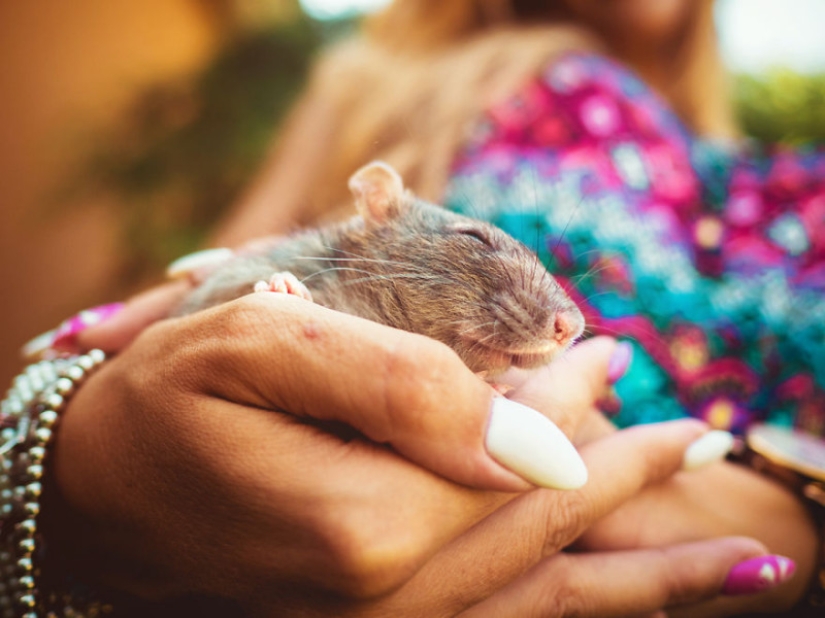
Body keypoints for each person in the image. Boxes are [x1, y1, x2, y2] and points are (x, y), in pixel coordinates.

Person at [17, 0, 823, 615]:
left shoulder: (805, 185)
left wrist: (784, 527)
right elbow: (206, 315)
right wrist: (88, 452)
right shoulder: (382, 81)